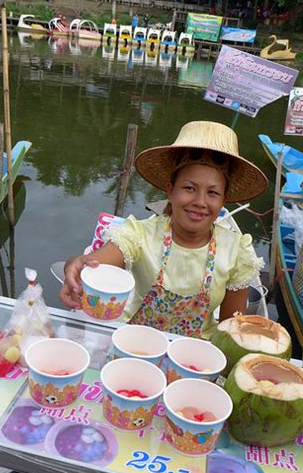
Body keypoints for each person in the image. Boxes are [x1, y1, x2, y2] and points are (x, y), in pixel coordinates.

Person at [60, 122, 268, 339]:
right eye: (189, 188)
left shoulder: (236, 252)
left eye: (213, 193)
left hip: (195, 356)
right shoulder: (140, 234)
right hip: (134, 342)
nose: (200, 202)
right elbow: (97, 262)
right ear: (170, 190)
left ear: (224, 200)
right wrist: (76, 266)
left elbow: (232, 331)